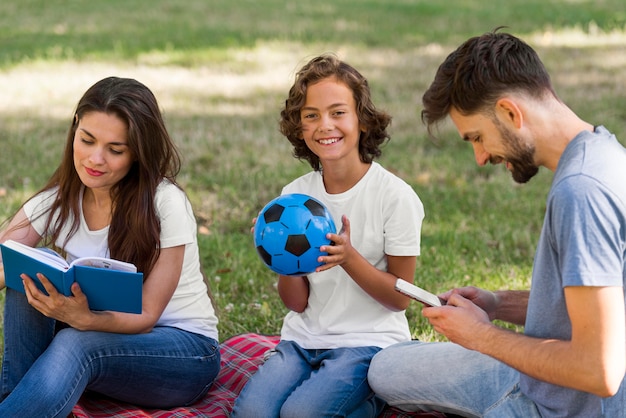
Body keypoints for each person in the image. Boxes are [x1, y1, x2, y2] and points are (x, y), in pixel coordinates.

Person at [368, 29, 626, 417]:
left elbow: (600, 370)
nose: (479, 156)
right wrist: (497, 303)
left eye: (478, 137)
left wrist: (480, 337)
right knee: (384, 369)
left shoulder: (581, 192)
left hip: (566, 407)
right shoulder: (604, 153)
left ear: (509, 112)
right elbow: (596, 305)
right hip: (538, 377)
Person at [0, 76, 220, 417]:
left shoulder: (167, 203)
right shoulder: (57, 200)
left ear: (137, 152)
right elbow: (3, 260)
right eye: (86, 140)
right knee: (30, 266)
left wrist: (84, 320)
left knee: (76, 342)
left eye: (115, 150)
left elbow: (147, 315)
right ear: (75, 128)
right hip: (99, 336)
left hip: (184, 352)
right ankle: (18, 399)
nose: (95, 159)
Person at [231, 54, 425, 417]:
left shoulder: (394, 196)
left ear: (362, 120)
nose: (325, 125)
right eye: (311, 115)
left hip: (368, 344)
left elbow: (400, 299)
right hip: (303, 340)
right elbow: (297, 303)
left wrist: (349, 259)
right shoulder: (294, 198)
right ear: (299, 127)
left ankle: (373, 398)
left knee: (299, 415)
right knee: (251, 414)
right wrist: (278, 257)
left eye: (338, 112)